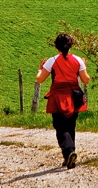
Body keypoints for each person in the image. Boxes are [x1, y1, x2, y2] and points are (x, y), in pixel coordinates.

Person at [36, 32, 90, 169]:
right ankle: (69, 155)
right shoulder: (78, 60)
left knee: (60, 127)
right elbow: (86, 80)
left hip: (58, 96)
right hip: (74, 96)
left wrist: (39, 69)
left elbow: (40, 79)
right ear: (70, 45)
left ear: (56, 46)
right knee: (71, 125)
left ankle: (69, 152)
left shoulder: (52, 61)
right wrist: (84, 67)